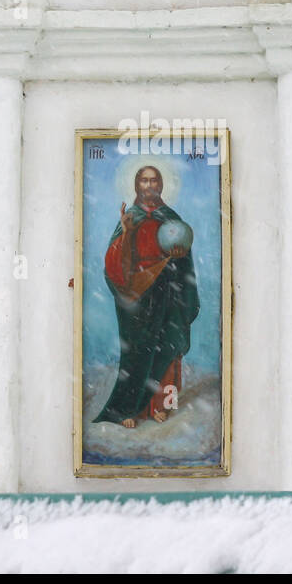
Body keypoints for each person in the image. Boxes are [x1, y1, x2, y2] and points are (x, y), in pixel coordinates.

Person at [93, 165, 199, 428]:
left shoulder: (170, 217)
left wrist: (178, 255)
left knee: (166, 344)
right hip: (137, 292)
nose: (149, 186)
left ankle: (160, 405)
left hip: (167, 287)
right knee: (136, 351)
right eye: (144, 181)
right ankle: (129, 408)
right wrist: (127, 232)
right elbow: (114, 264)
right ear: (136, 185)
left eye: (154, 181)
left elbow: (184, 254)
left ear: (161, 185)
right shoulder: (131, 217)